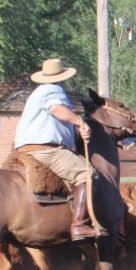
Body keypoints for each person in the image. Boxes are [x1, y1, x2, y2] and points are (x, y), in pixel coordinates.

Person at [14, 58, 98, 241]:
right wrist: (80, 121)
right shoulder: (53, 89)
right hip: (45, 150)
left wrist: (76, 130)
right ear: (61, 77)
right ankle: (79, 225)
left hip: (27, 148)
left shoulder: (38, 92)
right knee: (87, 174)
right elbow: (57, 110)